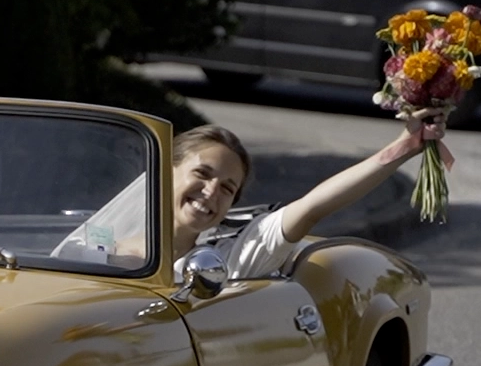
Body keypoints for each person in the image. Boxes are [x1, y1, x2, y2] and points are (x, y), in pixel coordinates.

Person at [172, 113, 454, 279]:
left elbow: (312, 207)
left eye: (227, 189)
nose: (210, 192)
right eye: (202, 173)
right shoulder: (124, 240)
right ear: (166, 169)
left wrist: (405, 146)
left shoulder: (231, 256)